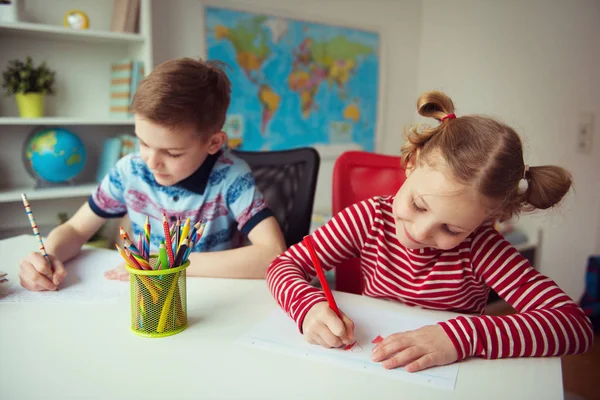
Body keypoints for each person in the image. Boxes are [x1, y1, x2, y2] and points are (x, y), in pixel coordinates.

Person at [266, 91, 593, 373]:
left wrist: (460, 337)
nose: (421, 233)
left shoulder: (482, 247)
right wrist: (307, 307)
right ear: (412, 162)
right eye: (419, 205)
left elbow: (573, 326)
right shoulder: (370, 218)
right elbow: (282, 266)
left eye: (451, 228)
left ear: (487, 219)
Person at [19, 58, 286, 291]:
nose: (152, 162)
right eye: (143, 143)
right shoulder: (130, 170)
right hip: (146, 296)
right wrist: (49, 255)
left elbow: (272, 253)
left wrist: (166, 262)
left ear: (213, 143)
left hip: (212, 296)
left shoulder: (231, 177)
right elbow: (76, 229)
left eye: (172, 152)